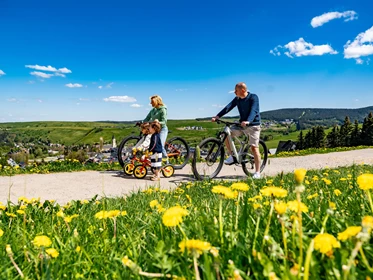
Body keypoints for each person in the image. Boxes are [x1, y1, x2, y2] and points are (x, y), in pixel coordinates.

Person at [212, 82, 262, 179]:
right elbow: (228, 107)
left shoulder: (253, 97)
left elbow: (254, 110)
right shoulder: (238, 99)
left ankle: (257, 172)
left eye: (236, 90)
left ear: (242, 90)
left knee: (254, 148)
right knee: (226, 134)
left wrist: (248, 121)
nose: (235, 92)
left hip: (253, 125)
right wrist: (218, 116)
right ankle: (232, 156)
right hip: (242, 125)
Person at [143, 95, 168, 161]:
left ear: (157, 101)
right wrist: (142, 122)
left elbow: (164, 122)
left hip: (162, 129)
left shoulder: (163, 110)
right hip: (155, 130)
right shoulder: (153, 110)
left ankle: (167, 162)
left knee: (160, 146)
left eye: (152, 102)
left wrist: (158, 122)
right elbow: (147, 118)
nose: (151, 103)